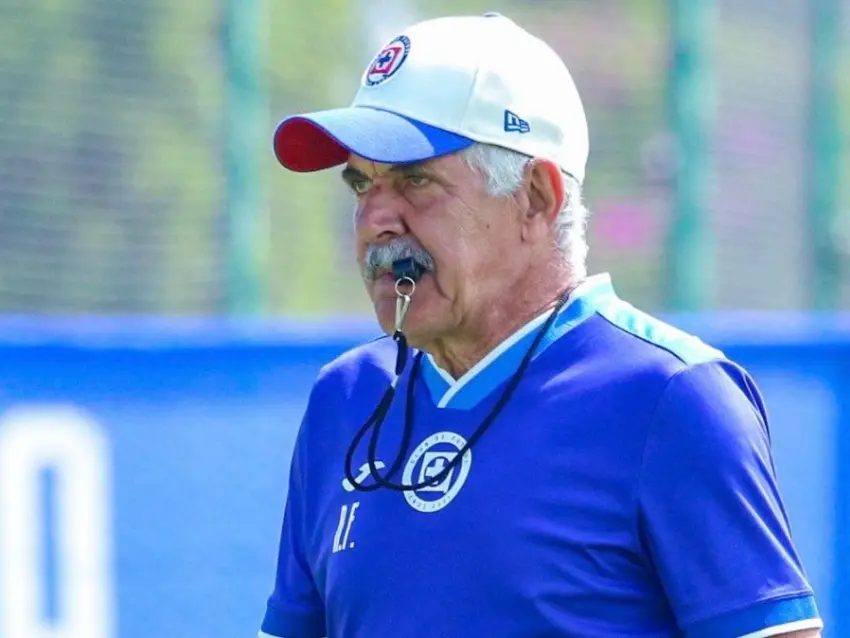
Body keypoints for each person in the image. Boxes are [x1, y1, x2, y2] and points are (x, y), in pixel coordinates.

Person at [259, 12, 823, 638]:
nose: (375, 220)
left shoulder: (670, 397)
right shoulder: (346, 398)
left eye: (415, 179)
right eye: (362, 184)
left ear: (536, 198)